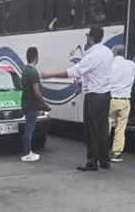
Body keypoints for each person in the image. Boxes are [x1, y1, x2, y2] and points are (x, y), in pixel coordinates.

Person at [42, 25, 113, 171]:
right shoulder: (107, 52)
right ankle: (104, 160)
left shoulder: (92, 55)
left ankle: (92, 162)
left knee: (91, 129)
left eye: (88, 36)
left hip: (93, 95)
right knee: (103, 128)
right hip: (106, 95)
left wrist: (50, 75)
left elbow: (73, 72)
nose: (86, 38)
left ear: (91, 38)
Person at [109, 44, 135, 162]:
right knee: (120, 128)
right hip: (125, 101)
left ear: (114, 53)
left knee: (106, 127)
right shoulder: (131, 65)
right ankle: (116, 153)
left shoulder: (110, 65)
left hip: (111, 100)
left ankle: (101, 150)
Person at [20, 47, 51, 162]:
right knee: (29, 130)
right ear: (36, 57)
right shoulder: (33, 72)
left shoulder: (25, 70)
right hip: (32, 105)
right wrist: (44, 104)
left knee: (28, 129)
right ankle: (27, 152)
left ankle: (29, 151)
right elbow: (37, 92)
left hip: (25, 104)